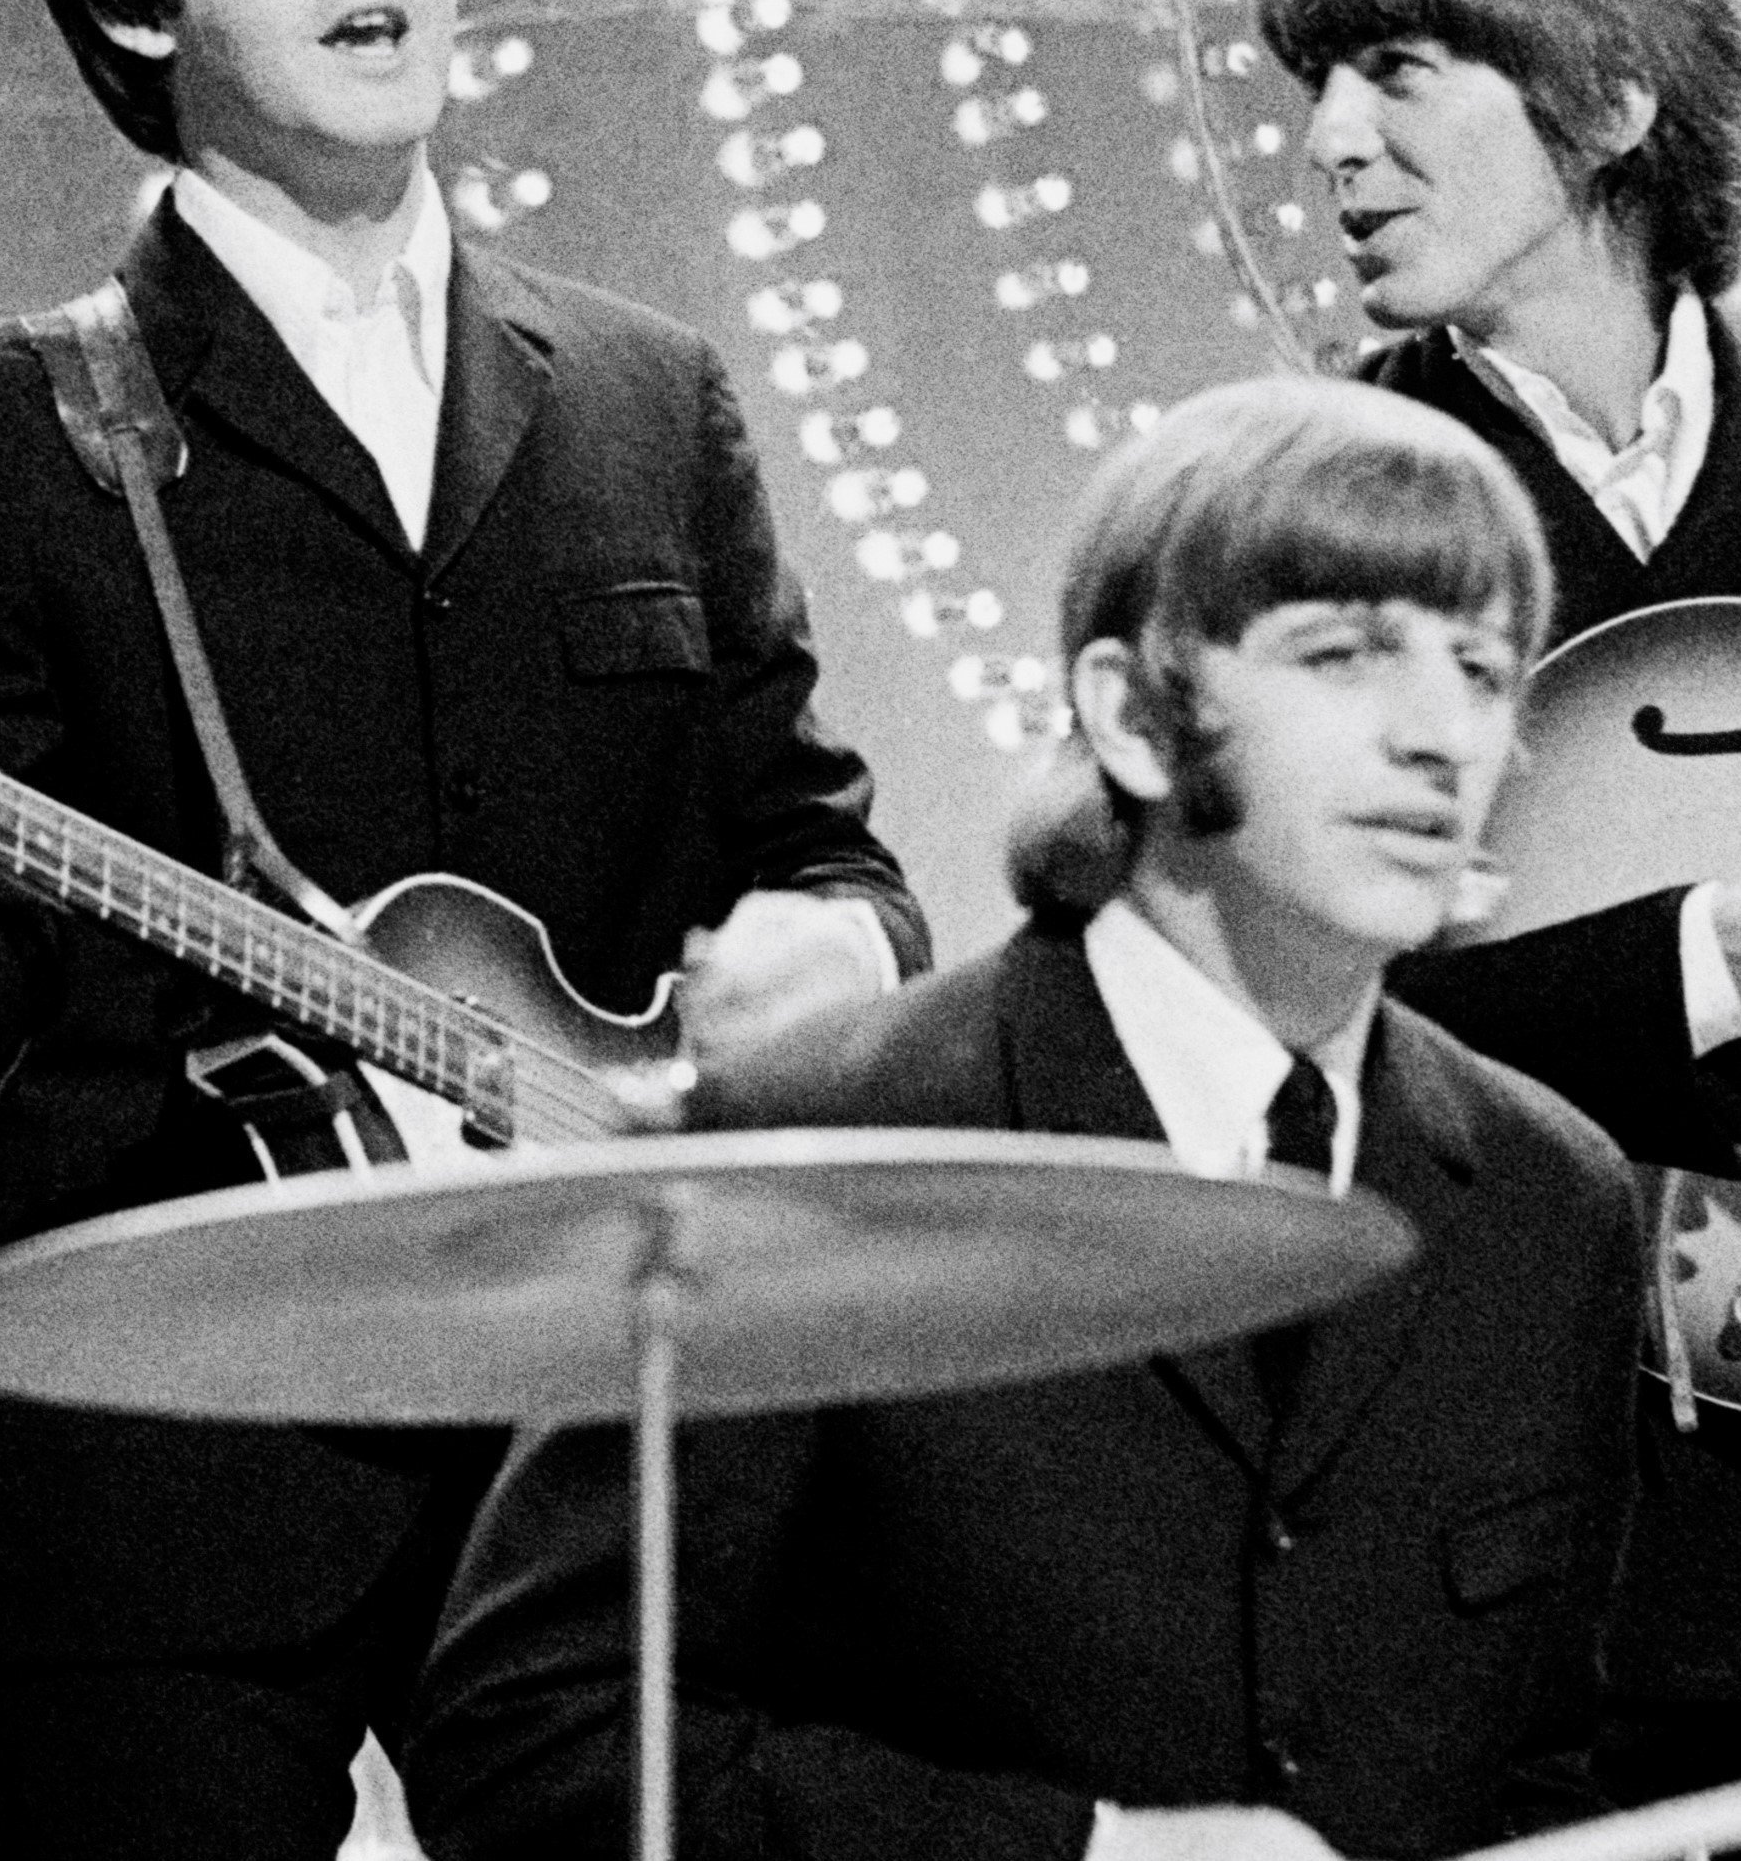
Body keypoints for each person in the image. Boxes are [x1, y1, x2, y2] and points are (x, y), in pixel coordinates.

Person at [0, 0, 925, 1859]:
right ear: (131, 8)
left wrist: (840, 950)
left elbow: (818, 843)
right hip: (175, 1463)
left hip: (596, 1432)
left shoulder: (642, 396)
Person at [407, 375, 1643, 1861]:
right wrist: (1081, 1853)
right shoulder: (818, 1151)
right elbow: (533, 1738)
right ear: (1128, 715)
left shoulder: (1548, 1200)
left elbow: (1540, 1773)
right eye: (1344, 655)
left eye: (1482, 669)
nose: (1440, 735)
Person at [1252, 0, 1741, 1803]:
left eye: (1393, 70)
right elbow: (1308, 1021)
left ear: (1611, 99)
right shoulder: (1309, 502)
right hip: (1525, 1528)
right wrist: (1705, 954)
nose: (1327, 141)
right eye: (1310, 83)